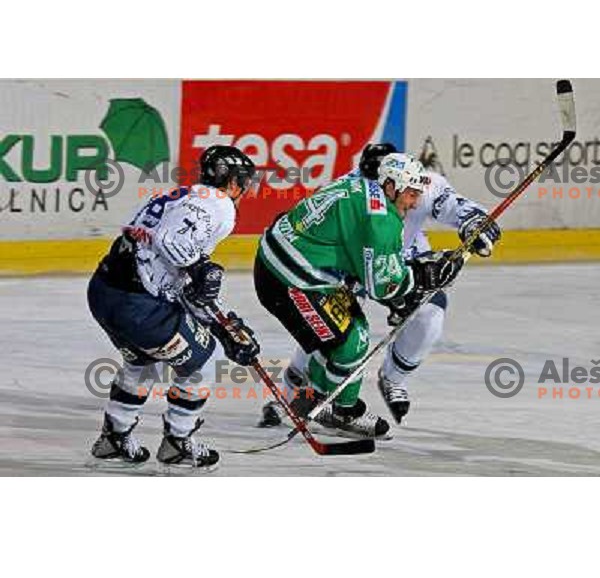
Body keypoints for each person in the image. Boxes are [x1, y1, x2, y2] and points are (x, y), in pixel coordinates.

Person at [260, 143, 500, 430]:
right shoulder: (355, 188)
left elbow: (454, 205)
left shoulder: (420, 183)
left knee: (430, 317)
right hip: (354, 268)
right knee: (332, 334)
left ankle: (393, 379)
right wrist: (406, 288)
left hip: (400, 260)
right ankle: (295, 396)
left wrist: (475, 222)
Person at [88, 145, 260, 468]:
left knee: (143, 358)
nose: (245, 192)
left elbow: (176, 279)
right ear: (234, 183)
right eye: (245, 184)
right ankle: (179, 441)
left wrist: (223, 324)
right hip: (136, 306)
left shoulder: (178, 196)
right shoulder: (220, 205)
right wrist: (200, 270)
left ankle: (114, 436)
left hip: (103, 292)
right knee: (204, 360)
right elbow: (171, 243)